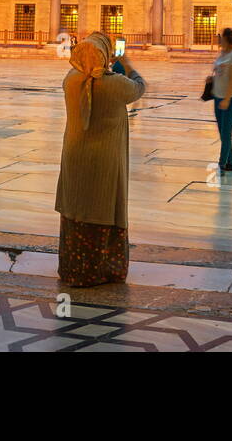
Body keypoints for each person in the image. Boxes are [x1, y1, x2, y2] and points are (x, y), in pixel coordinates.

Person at [55, 30, 146, 286]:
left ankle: (74, 268)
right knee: (102, 209)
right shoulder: (113, 83)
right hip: (105, 161)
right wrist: (126, 63)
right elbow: (139, 88)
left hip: (75, 157)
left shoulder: (71, 79)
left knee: (77, 209)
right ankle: (102, 270)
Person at [210, 27, 232, 172]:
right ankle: (231, 163)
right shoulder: (222, 54)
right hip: (218, 96)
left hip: (231, 98)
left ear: (228, 40)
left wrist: (227, 99)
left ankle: (221, 164)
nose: (220, 39)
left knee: (226, 132)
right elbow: (219, 72)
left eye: (222, 37)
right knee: (222, 132)